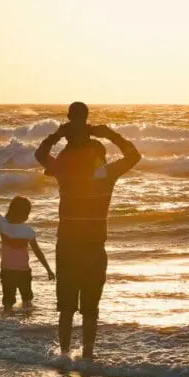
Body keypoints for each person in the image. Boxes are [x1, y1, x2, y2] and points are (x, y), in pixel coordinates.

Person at [35, 103, 141, 361]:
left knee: (67, 309)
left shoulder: (64, 170)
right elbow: (134, 156)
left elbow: (40, 154)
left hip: (67, 246)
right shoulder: (105, 174)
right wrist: (110, 134)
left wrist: (58, 134)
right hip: (94, 248)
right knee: (90, 310)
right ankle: (88, 357)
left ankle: (63, 356)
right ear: (99, 155)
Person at [0, 178, 55, 312]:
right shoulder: (28, 231)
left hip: (7, 270)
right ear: (27, 214)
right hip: (24, 271)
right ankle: (27, 322)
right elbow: (38, 252)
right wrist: (48, 269)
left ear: (11, 209)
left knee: (8, 302)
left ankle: (6, 320)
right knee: (27, 301)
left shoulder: (3, 225)